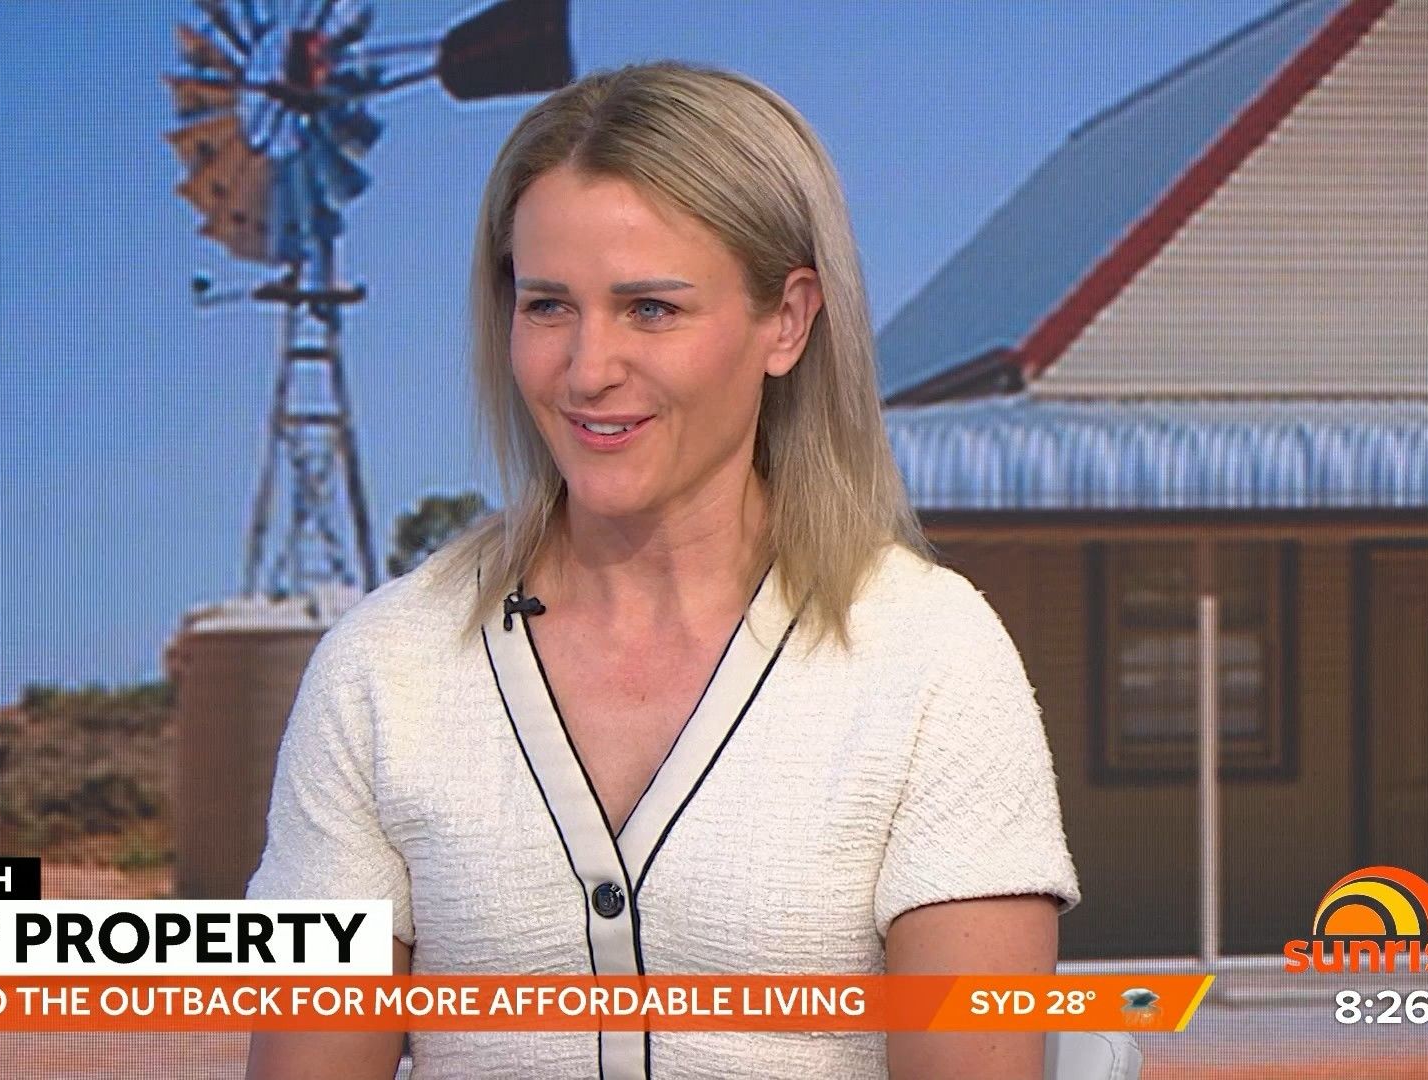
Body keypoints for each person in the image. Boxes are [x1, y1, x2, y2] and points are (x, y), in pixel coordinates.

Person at [246, 60, 1079, 1079]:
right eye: (548, 306)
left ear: (787, 321)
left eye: (650, 309)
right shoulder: (383, 668)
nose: (588, 369)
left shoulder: (931, 658)